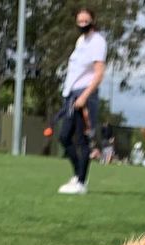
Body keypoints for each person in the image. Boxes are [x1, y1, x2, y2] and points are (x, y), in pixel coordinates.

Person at [57, 7, 107, 195]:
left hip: (84, 94)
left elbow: (99, 72)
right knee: (64, 137)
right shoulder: (81, 41)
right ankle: (78, 174)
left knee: (82, 138)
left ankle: (81, 182)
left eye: (86, 22)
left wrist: (84, 97)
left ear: (93, 21)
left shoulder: (98, 42)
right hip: (71, 93)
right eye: (80, 22)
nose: (82, 25)